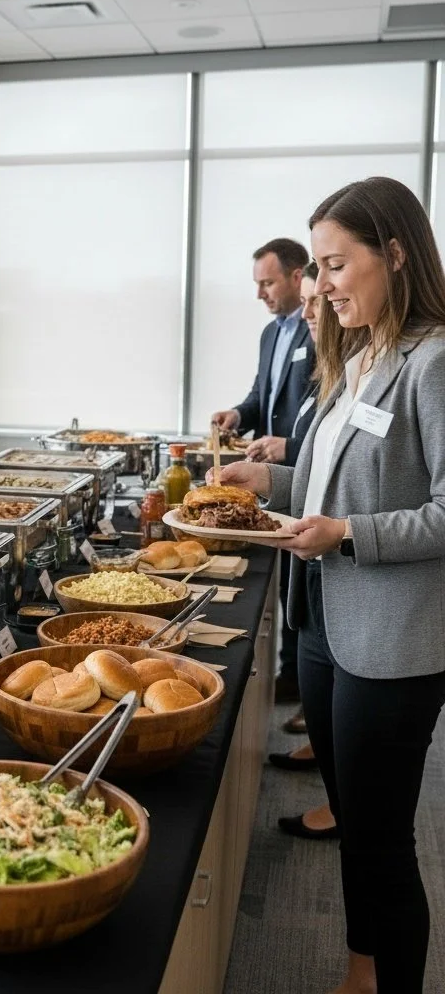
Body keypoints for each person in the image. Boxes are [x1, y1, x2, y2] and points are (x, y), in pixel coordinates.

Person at [213, 176, 445, 993]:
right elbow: (319, 489)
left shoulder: (433, 360)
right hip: (322, 624)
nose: (319, 286)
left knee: (382, 839)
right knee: (355, 829)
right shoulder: (357, 357)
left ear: (395, 253)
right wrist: (259, 485)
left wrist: (349, 536)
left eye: (334, 265)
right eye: (315, 267)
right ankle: (359, 970)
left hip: (392, 641)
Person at [212, 238, 316, 705]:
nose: (261, 294)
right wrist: (237, 415)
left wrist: (290, 445)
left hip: (308, 473)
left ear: (298, 277)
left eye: (268, 282)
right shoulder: (271, 333)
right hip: (272, 478)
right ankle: (294, 674)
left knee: (303, 581)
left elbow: (325, 408)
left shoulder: (321, 326)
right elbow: (262, 396)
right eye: (257, 284)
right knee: (284, 579)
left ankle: (299, 677)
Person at [266, 260, 338, 841]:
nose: (308, 311)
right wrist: (266, 481)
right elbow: (315, 477)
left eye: (319, 296)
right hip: (316, 580)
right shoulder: (338, 373)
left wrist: (345, 532)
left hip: (356, 589)